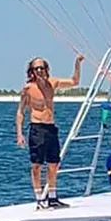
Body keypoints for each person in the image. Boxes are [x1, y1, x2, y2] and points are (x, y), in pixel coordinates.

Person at [16, 53, 84, 209]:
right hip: (37, 127)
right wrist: (19, 134)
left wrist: (77, 63)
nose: (39, 70)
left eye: (41, 67)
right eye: (36, 68)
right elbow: (20, 112)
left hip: (51, 128)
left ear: (46, 68)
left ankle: (52, 197)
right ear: (31, 71)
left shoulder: (52, 83)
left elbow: (74, 81)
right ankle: (39, 198)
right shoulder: (28, 89)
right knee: (37, 165)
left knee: (53, 164)